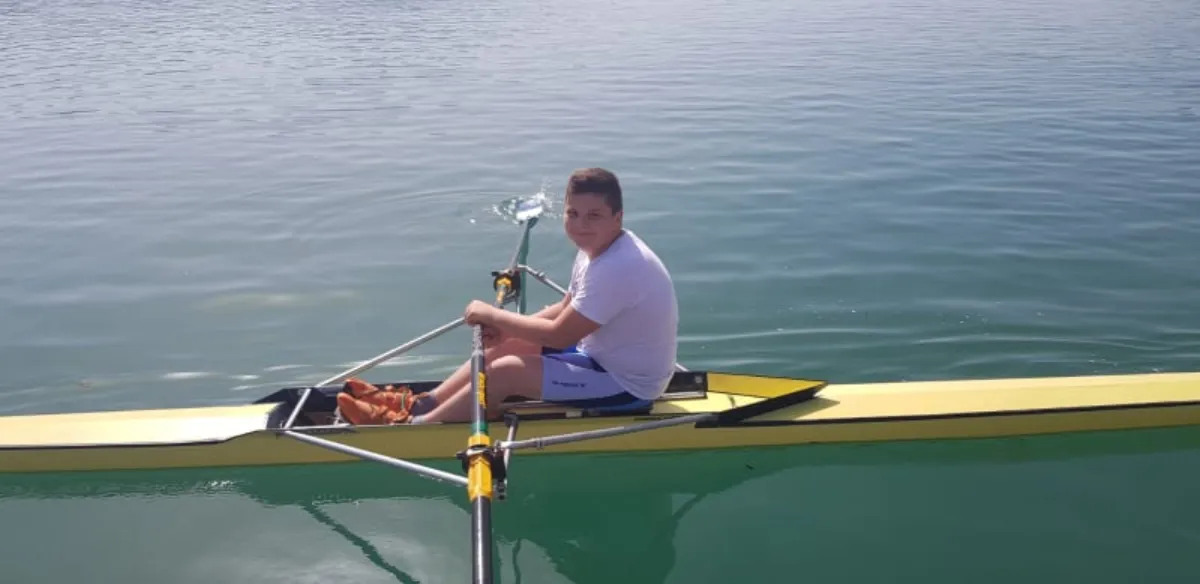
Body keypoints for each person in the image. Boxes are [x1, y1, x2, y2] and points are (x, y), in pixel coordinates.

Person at [336, 167, 678, 425]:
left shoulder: (620, 267)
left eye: (594, 216)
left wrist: (493, 315)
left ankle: (416, 428)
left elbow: (560, 335)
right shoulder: (596, 249)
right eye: (572, 214)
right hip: (598, 357)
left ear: (618, 218)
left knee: (504, 372)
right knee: (502, 346)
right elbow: (564, 309)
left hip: (628, 384)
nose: (580, 225)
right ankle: (422, 403)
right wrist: (506, 330)